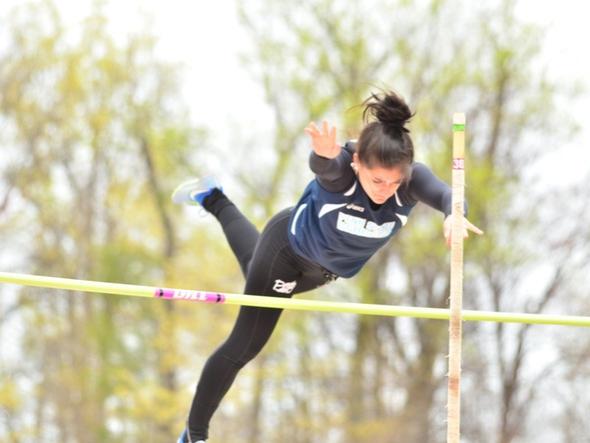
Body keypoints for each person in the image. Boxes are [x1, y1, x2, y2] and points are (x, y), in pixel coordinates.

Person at [172, 90, 483, 442]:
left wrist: (454, 215)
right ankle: (194, 435)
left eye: (394, 181)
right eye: (377, 179)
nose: (385, 190)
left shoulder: (411, 182)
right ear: (357, 165)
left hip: (322, 272)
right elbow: (327, 166)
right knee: (245, 343)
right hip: (285, 253)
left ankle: (213, 197)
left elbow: (448, 194)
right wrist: (324, 154)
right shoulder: (341, 174)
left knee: (250, 266)